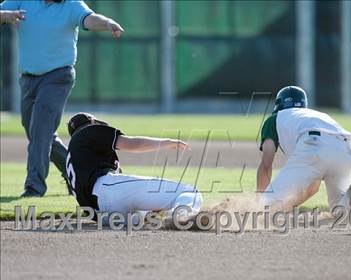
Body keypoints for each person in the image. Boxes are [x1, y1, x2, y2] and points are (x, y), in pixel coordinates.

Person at [0, 0, 124, 197]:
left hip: (58, 77)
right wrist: (4, 15)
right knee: (38, 132)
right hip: (28, 79)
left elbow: (89, 19)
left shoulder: (71, 4)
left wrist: (107, 22)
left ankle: (34, 188)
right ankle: (74, 172)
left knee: (40, 129)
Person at [257, 86, 351, 214]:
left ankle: (265, 206)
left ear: (278, 104)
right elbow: (313, 186)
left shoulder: (275, 119)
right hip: (344, 151)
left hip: (313, 146)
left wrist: (260, 201)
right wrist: (286, 207)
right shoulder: (314, 115)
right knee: (341, 210)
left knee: (266, 206)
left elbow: (266, 163)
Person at [66, 112, 203, 224]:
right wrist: (167, 142)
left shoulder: (74, 154)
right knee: (189, 191)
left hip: (102, 216)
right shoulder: (88, 131)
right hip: (108, 189)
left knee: (151, 214)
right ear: (92, 122)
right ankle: (180, 218)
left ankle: (167, 215)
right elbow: (132, 144)